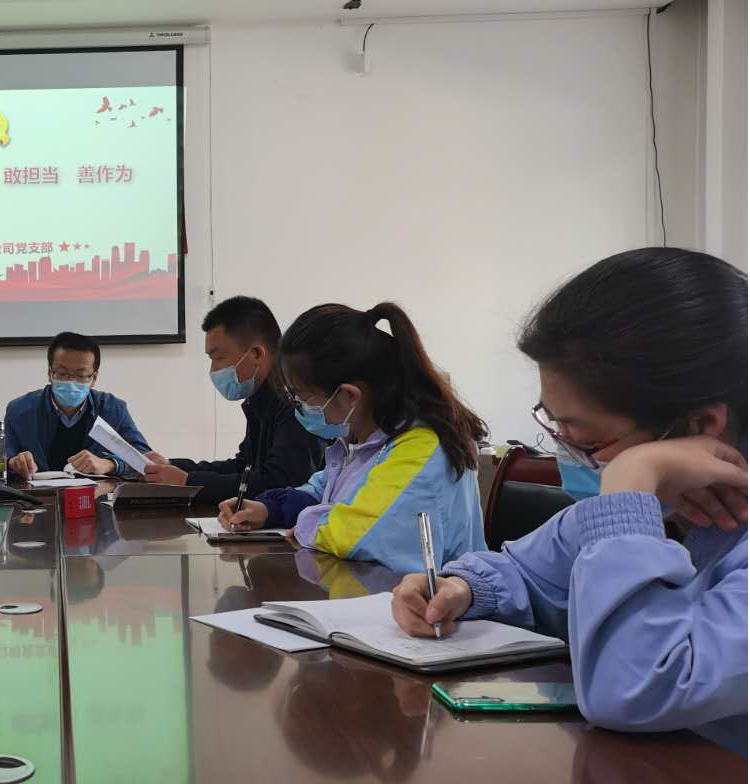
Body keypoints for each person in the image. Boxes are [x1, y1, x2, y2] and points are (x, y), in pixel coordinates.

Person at [389, 248, 747, 747]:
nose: (572, 457)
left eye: (588, 441)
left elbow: (638, 688)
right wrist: (463, 588)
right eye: (554, 425)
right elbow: (530, 572)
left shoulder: (639, 499)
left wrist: (633, 476)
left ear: (701, 425)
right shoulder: (649, 507)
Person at [218, 302, 488, 573]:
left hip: (425, 597)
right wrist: (269, 509)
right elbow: (322, 490)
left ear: (349, 395)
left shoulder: (422, 447)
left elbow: (354, 533)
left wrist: (304, 521)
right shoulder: (362, 440)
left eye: (301, 397)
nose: (297, 406)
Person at [143, 296, 323, 504]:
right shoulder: (260, 401)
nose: (213, 370)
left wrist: (188, 481)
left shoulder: (295, 402)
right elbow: (243, 467)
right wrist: (173, 466)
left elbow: (280, 483)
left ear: (256, 354)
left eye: (219, 357)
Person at [3, 331, 151, 479]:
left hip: (98, 492)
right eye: (62, 373)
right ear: (49, 373)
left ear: (94, 378)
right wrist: (12, 463)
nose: (70, 382)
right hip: (39, 492)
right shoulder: (20, 411)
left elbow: (146, 461)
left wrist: (109, 464)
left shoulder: (113, 409)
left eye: (81, 375)